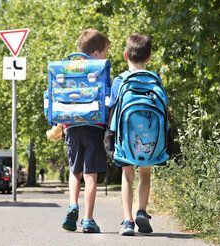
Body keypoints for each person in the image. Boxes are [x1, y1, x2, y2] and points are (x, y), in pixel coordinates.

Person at [109, 33, 159, 236]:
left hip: (125, 137)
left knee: (127, 175)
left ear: (125, 55)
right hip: (149, 137)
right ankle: (142, 211)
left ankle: (128, 221)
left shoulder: (119, 81)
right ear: (149, 57)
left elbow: (112, 110)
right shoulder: (155, 79)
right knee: (145, 174)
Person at [61, 29, 110, 233]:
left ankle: (73, 205)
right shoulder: (99, 69)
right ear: (96, 54)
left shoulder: (68, 68)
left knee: (75, 171)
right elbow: (107, 98)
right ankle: (88, 219)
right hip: (93, 127)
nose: (106, 57)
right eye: (105, 53)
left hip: (71, 127)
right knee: (90, 175)